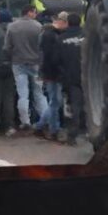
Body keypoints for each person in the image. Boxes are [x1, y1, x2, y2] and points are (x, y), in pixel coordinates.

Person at [4, 5, 49, 132]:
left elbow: (7, 47)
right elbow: (43, 47)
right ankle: (45, 119)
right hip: (35, 64)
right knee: (39, 93)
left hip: (18, 63)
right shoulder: (39, 27)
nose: (35, 15)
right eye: (34, 12)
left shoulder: (12, 27)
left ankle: (25, 122)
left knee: (23, 94)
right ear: (29, 12)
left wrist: (11, 57)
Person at [36, 11, 68, 139]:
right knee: (56, 101)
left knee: (55, 101)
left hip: (50, 72)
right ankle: (52, 127)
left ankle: (43, 125)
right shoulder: (51, 35)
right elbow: (50, 56)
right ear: (62, 22)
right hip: (52, 73)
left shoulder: (48, 34)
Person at [57, 13, 84, 145]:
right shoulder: (88, 36)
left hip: (70, 77)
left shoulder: (61, 38)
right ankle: (87, 130)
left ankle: (72, 135)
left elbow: (55, 59)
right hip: (88, 75)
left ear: (68, 23)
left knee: (73, 106)